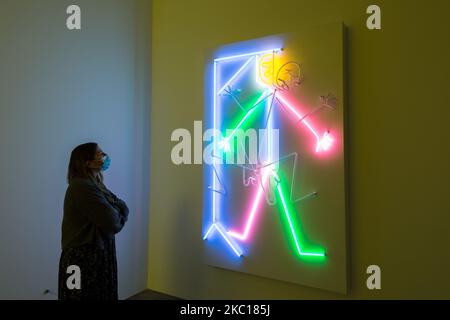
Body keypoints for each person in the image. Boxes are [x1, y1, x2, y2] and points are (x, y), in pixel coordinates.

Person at [58, 142, 129, 300]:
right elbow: (113, 222)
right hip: (82, 259)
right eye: (100, 154)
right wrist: (119, 210)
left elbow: (122, 206)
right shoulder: (81, 187)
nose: (105, 157)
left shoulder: (96, 185)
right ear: (87, 162)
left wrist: (119, 209)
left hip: (97, 255)